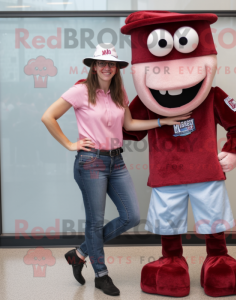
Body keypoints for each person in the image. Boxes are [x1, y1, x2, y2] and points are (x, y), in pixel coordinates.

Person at [41, 43, 191, 296]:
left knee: (131, 216)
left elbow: (129, 123)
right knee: (95, 221)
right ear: (94, 66)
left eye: (111, 63)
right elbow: (48, 116)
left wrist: (161, 121)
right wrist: (70, 144)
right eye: (101, 63)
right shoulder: (80, 91)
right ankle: (101, 275)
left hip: (116, 162)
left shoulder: (119, 92)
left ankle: (79, 253)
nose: (106, 67)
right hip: (91, 162)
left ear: (117, 68)